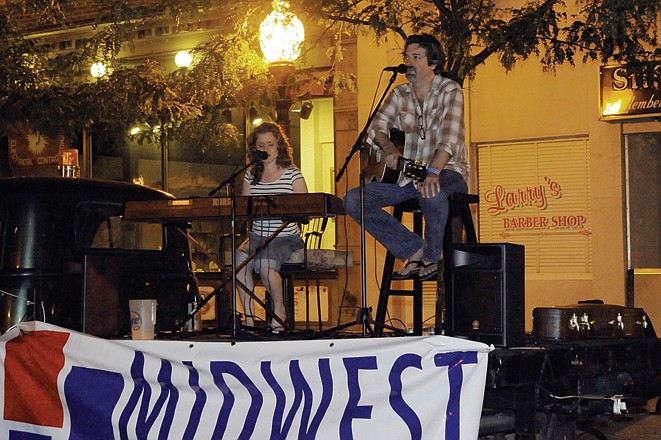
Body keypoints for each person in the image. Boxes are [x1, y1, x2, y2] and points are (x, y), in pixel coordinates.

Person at [344, 34, 469, 281]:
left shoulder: (449, 90)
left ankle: (432, 258)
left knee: (431, 190)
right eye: (406, 56)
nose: (408, 62)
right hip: (408, 177)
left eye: (416, 57)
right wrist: (389, 148)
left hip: (448, 171)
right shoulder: (399, 93)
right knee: (354, 200)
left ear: (433, 63)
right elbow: (375, 127)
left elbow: (450, 137)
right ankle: (412, 248)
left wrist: (433, 171)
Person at [235, 121, 308, 333]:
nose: (266, 149)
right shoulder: (251, 176)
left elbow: (306, 206)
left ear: (280, 146)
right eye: (261, 145)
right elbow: (245, 208)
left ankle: (279, 311)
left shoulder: (293, 174)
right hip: (257, 236)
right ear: (255, 149)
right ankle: (249, 319)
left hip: (286, 237)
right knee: (239, 264)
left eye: (270, 144)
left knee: (266, 266)